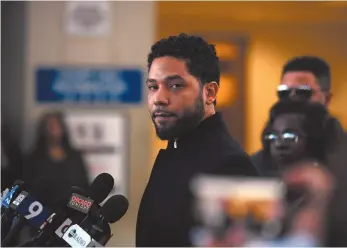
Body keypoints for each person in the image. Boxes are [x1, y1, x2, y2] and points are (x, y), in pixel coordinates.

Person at [136, 33, 258, 247]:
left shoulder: (229, 165)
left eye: (175, 85)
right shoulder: (176, 153)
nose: (159, 99)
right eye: (153, 87)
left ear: (209, 92)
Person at [252, 56, 347, 176]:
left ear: (327, 99)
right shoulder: (259, 162)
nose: (292, 98)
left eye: (303, 92)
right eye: (284, 93)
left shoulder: (341, 155)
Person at [23, 111, 90, 207]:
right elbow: (28, 190)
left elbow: (84, 187)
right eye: (50, 125)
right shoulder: (34, 158)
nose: (53, 128)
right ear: (43, 130)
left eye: (56, 124)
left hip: (73, 210)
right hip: (43, 212)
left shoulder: (75, 157)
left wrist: (83, 210)